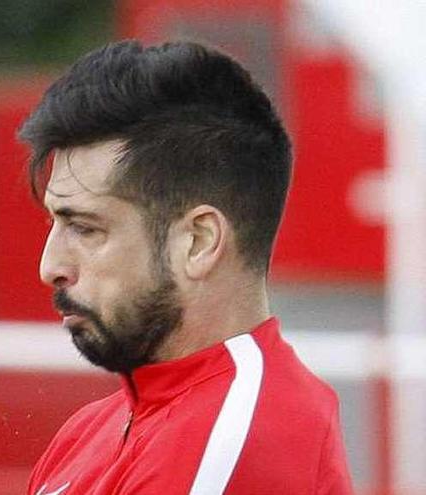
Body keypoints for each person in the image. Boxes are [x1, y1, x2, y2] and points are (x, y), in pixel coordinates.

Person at [18, 40, 353, 495]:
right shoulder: (89, 431)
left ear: (198, 242)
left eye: (86, 228)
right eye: (55, 222)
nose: (50, 266)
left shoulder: (237, 435)